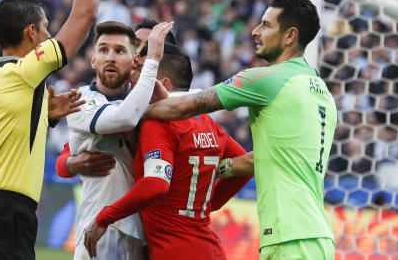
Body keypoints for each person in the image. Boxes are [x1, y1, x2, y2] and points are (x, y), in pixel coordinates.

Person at [146, 0, 338, 260]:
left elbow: (179, 108)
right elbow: (270, 157)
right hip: (317, 236)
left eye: (266, 25)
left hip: (289, 238)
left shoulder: (266, 79)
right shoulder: (322, 93)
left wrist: (118, 115)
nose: (255, 32)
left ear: (290, 35)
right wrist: (218, 169)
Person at [0, 0, 104, 260]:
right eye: (47, 28)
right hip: (8, 208)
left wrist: (42, 117)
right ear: (32, 32)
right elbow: (85, 15)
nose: (51, 36)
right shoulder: (23, 72)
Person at [83, 46, 252, 259]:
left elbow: (156, 184)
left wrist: (104, 218)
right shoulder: (208, 123)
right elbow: (244, 166)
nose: (137, 88)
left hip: (173, 251)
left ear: (163, 84)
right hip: (210, 249)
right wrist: (208, 204)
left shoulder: (159, 123)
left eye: (144, 81)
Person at [67, 20, 173, 260]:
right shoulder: (80, 100)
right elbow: (124, 118)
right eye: (103, 50)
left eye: (119, 50)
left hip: (141, 234)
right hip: (102, 232)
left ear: (135, 61)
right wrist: (153, 60)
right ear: (93, 60)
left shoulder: (144, 99)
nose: (110, 58)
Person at [54, 19, 176, 179]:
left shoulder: (178, 98)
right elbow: (66, 155)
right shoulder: (98, 98)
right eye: (135, 44)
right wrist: (70, 164)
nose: (139, 52)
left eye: (149, 47)